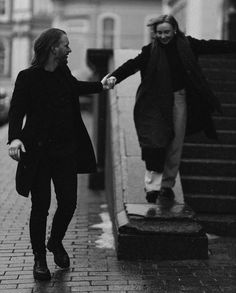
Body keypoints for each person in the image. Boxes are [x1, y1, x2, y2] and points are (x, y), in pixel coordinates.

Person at [8, 28, 112, 281]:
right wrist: (15, 137)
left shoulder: (64, 73)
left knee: (68, 203)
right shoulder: (27, 77)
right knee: (40, 206)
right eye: (66, 45)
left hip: (65, 151)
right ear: (53, 48)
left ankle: (54, 242)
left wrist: (101, 84)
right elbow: (16, 111)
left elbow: (76, 87)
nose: (69, 49)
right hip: (38, 153)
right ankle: (40, 259)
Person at [107, 14, 236, 204]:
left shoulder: (188, 45)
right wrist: (114, 77)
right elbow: (132, 65)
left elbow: (212, 45)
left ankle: (166, 187)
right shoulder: (150, 51)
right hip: (155, 102)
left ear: (175, 30)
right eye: (159, 33)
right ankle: (152, 187)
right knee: (155, 143)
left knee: (175, 143)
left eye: (167, 32)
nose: (163, 36)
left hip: (180, 98)